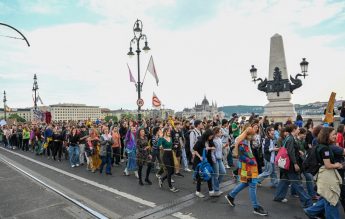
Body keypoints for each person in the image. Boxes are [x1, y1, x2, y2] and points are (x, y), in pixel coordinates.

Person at [225, 127, 268, 216]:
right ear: (248, 135)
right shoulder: (242, 143)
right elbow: (242, 157)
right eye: (252, 135)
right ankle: (256, 207)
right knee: (252, 186)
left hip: (247, 168)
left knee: (245, 183)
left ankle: (231, 195)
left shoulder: (244, 142)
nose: (253, 137)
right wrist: (252, 162)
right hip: (248, 168)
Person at [304, 127, 343, 219]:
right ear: (327, 135)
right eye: (333, 134)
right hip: (327, 176)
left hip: (321, 175)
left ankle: (310, 211)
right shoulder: (326, 149)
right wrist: (338, 165)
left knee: (327, 197)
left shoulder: (319, 146)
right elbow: (328, 165)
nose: (335, 136)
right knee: (331, 200)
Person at [274, 125, 312, 208]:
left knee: (284, 181)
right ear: (294, 129)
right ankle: (307, 202)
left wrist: (298, 152)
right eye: (298, 128)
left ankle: (278, 196)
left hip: (287, 164)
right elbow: (290, 152)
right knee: (297, 183)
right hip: (291, 164)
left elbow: (289, 150)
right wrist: (295, 163)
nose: (299, 129)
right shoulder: (291, 139)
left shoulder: (288, 138)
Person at [193, 129, 215, 198]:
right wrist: (200, 157)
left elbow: (214, 147)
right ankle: (198, 191)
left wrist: (209, 148)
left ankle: (211, 191)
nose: (211, 137)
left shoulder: (210, 141)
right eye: (211, 136)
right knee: (200, 176)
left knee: (209, 174)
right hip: (200, 160)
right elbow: (194, 149)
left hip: (208, 160)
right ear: (207, 135)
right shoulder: (200, 141)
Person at [157, 128, 179, 193]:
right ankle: (170, 186)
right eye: (168, 131)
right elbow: (159, 145)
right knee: (169, 170)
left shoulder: (171, 138)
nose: (169, 132)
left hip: (171, 154)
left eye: (169, 131)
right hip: (165, 155)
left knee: (172, 171)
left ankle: (162, 179)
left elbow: (171, 146)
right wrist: (160, 138)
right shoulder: (162, 139)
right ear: (165, 132)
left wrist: (175, 146)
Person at [212, 127, 226, 196]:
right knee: (216, 175)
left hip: (220, 158)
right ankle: (216, 189)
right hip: (215, 159)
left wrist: (225, 146)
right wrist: (213, 159)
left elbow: (220, 148)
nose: (221, 133)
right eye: (220, 132)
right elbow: (212, 152)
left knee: (223, 172)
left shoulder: (219, 139)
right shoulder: (213, 140)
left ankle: (215, 186)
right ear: (216, 133)